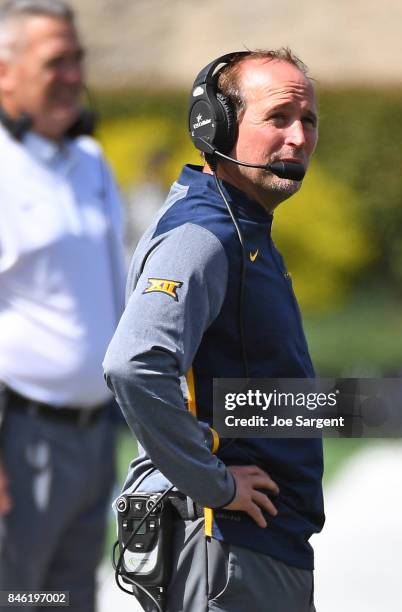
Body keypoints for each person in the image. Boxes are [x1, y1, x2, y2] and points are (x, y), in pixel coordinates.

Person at [104, 48, 324, 612]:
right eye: (278, 118)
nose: (298, 138)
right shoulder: (203, 236)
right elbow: (133, 364)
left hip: (256, 544)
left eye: (308, 121)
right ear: (216, 125)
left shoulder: (241, 225)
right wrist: (214, 482)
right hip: (222, 543)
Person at [0, 1, 125, 609]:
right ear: (5, 71)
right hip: (20, 439)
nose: (75, 74)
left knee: (70, 600)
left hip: (96, 435)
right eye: (56, 61)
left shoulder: (92, 163)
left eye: (78, 59)